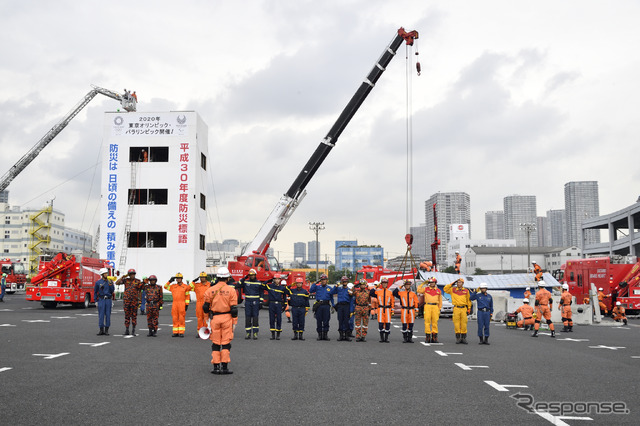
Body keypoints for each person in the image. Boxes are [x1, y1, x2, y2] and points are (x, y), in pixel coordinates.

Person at [202, 266, 238, 375]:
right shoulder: (231, 290)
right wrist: (234, 322)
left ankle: (216, 367)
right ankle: (225, 367)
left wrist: (207, 321)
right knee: (226, 343)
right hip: (227, 318)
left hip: (215, 319)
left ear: (217, 277)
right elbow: (234, 309)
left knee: (216, 343)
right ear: (227, 278)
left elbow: (205, 308)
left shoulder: (210, 290)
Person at [116, 268, 144, 336]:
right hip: (126, 301)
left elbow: (140, 291)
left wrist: (140, 301)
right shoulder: (125, 280)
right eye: (131, 274)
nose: (132, 275)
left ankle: (133, 330)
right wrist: (123, 277)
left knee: (134, 316)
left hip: (134, 301)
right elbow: (117, 283)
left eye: (133, 274)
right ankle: (127, 330)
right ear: (129, 275)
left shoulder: (138, 281)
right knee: (127, 316)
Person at [236, 268, 262, 340]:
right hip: (247, 302)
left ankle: (255, 333)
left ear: (255, 275)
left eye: (253, 275)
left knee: (255, 318)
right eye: (250, 275)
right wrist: (244, 278)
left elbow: (261, 292)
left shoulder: (259, 283)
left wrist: (261, 302)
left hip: (256, 302)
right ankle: (248, 333)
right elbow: (237, 285)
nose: (252, 276)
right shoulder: (245, 282)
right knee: (248, 318)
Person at [443, 278, 471, 344]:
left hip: (464, 308)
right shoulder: (453, 290)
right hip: (456, 308)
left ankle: (463, 338)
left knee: (464, 323)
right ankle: (458, 338)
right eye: (458, 282)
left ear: (462, 283)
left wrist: (469, 308)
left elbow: (468, 300)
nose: (459, 283)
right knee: (456, 323)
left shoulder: (466, 291)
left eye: (460, 282)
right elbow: (445, 289)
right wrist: (452, 283)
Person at [262, 274, 288, 340]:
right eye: (275, 279)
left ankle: (278, 334)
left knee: (279, 319)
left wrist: (285, 305)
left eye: (278, 279)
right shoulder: (270, 286)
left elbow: (284, 297)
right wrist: (269, 280)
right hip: (271, 304)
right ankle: (273, 334)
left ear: (280, 280)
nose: (277, 280)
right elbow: (262, 285)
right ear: (274, 280)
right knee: (272, 319)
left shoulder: (282, 288)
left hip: (279, 304)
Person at [164, 273, 191, 337]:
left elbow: (187, 296)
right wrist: (169, 281)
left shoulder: (185, 287)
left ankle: (181, 332)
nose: (178, 279)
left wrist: (186, 305)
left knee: (181, 318)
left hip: (182, 304)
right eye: (177, 278)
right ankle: (175, 332)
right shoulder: (173, 286)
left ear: (182, 279)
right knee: (175, 318)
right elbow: (165, 286)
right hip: (175, 304)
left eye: (179, 278)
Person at [417, 277, 442, 343]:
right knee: (427, 322)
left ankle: (434, 337)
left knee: (435, 322)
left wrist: (439, 308)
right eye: (430, 282)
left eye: (433, 282)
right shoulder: (425, 289)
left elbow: (440, 301)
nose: (432, 284)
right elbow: (418, 290)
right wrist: (423, 283)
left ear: (435, 283)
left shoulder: (438, 291)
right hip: (427, 306)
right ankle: (427, 337)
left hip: (435, 306)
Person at [309, 274, 333, 341]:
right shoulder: (317, 287)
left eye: (324, 280)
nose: (323, 281)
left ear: (327, 280)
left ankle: (325, 335)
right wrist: (315, 283)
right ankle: (320, 335)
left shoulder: (329, 288)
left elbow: (332, 298)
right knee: (319, 320)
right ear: (320, 280)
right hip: (319, 306)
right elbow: (310, 290)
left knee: (326, 321)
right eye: (322, 280)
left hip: (326, 306)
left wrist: (333, 306)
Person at [371, 277, 394, 343]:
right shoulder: (378, 292)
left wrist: (392, 310)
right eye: (383, 283)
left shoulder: (390, 292)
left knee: (387, 324)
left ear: (387, 284)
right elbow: (371, 293)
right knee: (380, 324)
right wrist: (377, 285)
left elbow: (392, 302)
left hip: (387, 309)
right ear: (381, 284)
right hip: (380, 309)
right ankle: (381, 338)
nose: (384, 284)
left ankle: (386, 338)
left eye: (385, 283)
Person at [331, 276, 354, 341]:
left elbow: (352, 300)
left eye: (345, 281)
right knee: (340, 320)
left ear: (347, 282)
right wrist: (336, 286)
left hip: (347, 306)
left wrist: (351, 310)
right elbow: (331, 292)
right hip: (340, 306)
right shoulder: (339, 289)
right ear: (341, 282)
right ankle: (341, 335)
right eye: (343, 281)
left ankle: (346, 335)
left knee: (346, 321)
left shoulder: (349, 290)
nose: (344, 282)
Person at [94, 268, 114, 336]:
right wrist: (96, 301)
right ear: (102, 274)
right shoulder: (98, 282)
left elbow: (112, 291)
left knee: (108, 315)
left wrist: (111, 284)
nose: (106, 274)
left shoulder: (110, 281)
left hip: (108, 299)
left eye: (107, 273)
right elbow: (95, 292)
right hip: (101, 300)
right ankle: (101, 329)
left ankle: (107, 330)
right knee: (101, 315)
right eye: (105, 273)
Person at [191, 271, 212, 338]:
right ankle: (200, 332)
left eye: (203, 277)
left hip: (207, 303)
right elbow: (187, 288)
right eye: (201, 277)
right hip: (199, 303)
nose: (202, 278)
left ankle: (207, 331)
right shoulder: (197, 285)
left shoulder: (210, 285)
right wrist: (193, 282)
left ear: (206, 278)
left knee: (206, 318)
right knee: (199, 318)